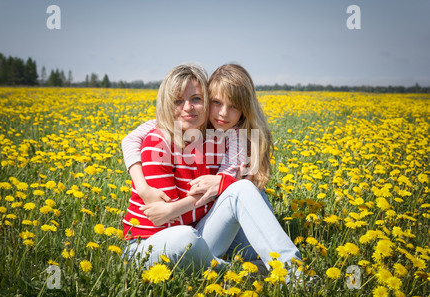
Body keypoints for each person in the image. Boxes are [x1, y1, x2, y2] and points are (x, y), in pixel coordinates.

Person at [122, 63, 301, 275]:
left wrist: (225, 184)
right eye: (178, 101)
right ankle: (244, 272)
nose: (188, 107)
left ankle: (294, 273)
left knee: (245, 189)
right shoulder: (157, 141)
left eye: (196, 99)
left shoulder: (222, 137)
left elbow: (242, 185)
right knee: (185, 237)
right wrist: (144, 188)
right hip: (152, 244)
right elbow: (168, 219)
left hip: (198, 237)